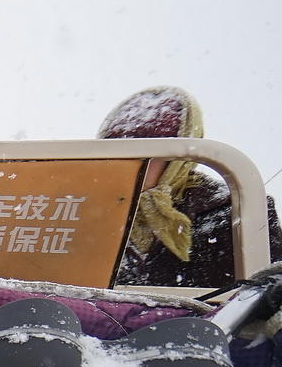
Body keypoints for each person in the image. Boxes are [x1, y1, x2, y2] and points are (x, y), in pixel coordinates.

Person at [99, 86, 282, 289]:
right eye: (116, 153)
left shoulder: (235, 210)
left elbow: (264, 297)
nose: (127, 164)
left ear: (178, 159)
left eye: (145, 154)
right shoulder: (81, 209)